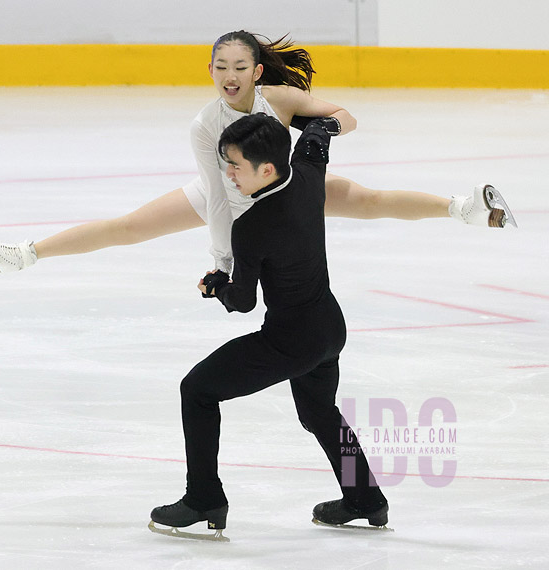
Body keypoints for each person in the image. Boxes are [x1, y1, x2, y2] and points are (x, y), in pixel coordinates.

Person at [0, 30, 515, 277]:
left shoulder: (278, 98)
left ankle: (464, 208)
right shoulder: (205, 125)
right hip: (225, 197)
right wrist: (224, 259)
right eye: (220, 68)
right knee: (130, 227)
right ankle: (24, 253)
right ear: (209, 71)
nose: (229, 76)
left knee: (367, 200)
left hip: (286, 188)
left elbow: (346, 116)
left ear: (256, 71)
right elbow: (217, 198)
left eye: (239, 68)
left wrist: (322, 130)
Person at [149, 113, 388, 541]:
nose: (229, 175)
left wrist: (216, 286)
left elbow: (243, 302)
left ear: (267, 169)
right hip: (329, 328)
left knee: (198, 390)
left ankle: (203, 497)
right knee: (319, 412)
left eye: (236, 166)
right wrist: (324, 125)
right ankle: (365, 498)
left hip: (290, 340)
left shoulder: (253, 226)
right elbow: (320, 132)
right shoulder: (309, 174)